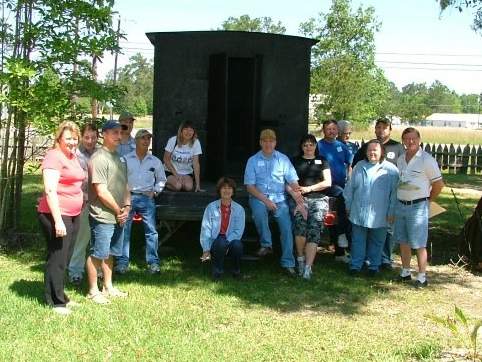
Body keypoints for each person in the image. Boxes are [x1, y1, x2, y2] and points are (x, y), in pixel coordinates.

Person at [37, 121, 85, 315]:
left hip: (73, 214)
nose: (72, 142)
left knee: (63, 257)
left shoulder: (72, 156)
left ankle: (60, 295)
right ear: (59, 139)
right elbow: (49, 190)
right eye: (68, 139)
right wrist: (57, 221)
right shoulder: (53, 157)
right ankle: (56, 302)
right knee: (57, 258)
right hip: (56, 214)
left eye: (75, 138)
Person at [244, 129, 302, 276]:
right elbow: (250, 186)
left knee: (287, 228)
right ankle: (266, 244)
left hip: (280, 198)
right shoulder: (253, 160)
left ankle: (288, 262)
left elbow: (293, 181)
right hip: (259, 197)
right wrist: (266, 200)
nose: (268, 144)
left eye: (271, 141)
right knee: (259, 213)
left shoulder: (283, 159)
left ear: (275, 142)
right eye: (265, 141)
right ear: (260, 143)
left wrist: (299, 197)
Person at [85, 120, 130, 304]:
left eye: (120, 133)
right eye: (114, 133)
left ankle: (108, 286)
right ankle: (93, 291)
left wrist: (127, 207)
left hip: (118, 214)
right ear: (104, 134)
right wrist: (119, 210)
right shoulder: (99, 158)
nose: (119, 136)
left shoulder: (120, 158)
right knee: (98, 253)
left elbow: (126, 185)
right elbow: (101, 191)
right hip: (102, 215)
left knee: (110, 253)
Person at [352, 117, 405, 269]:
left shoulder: (398, 147)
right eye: (378, 127)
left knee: (386, 232)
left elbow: (402, 170)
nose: (381, 130)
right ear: (375, 129)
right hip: (366, 194)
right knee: (363, 231)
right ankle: (363, 261)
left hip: (387, 194)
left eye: (384, 127)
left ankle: (385, 259)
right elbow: (355, 167)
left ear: (390, 129)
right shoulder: (367, 146)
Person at [394, 127, 444, 288]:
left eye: (413, 138)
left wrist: (429, 200)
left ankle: (422, 276)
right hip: (401, 204)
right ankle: (405, 271)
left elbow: (438, 184)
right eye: (407, 139)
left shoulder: (426, 160)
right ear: (403, 141)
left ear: (419, 140)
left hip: (418, 206)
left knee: (419, 243)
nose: (410, 142)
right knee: (403, 240)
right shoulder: (401, 159)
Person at [343, 139, 399, 275]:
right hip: (359, 211)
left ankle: (374, 266)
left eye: (375, 150)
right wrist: (348, 205)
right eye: (369, 150)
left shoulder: (391, 170)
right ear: (365, 152)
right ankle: (356, 265)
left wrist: (391, 212)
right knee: (357, 240)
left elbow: (395, 194)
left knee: (378, 241)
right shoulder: (359, 166)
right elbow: (350, 188)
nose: (372, 153)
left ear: (382, 152)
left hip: (381, 213)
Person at [116, 129, 167, 274]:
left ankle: (153, 263)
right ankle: (122, 263)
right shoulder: (125, 158)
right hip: (128, 197)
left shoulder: (155, 161)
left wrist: (155, 191)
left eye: (148, 139)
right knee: (124, 230)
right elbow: (119, 178)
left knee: (151, 231)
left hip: (146, 197)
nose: (146, 141)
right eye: (143, 138)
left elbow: (162, 179)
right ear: (136, 141)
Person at [290, 134, 331, 279]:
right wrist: (299, 198)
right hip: (300, 200)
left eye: (311, 144)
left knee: (314, 230)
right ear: (301, 147)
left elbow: (327, 182)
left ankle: (308, 267)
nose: (308, 147)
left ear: (315, 146)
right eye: (305, 145)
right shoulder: (295, 161)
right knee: (300, 228)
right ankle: (300, 260)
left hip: (319, 199)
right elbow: (288, 181)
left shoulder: (323, 160)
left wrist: (310, 189)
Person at [317, 120, 352, 262]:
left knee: (336, 216)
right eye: (328, 129)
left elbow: (350, 163)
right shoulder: (318, 146)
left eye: (333, 129)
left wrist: (349, 179)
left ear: (337, 131)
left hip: (341, 185)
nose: (331, 131)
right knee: (336, 210)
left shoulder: (341, 146)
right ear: (324, 131)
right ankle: (341, 238)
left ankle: (339, 251)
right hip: (325, 186)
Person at [68, 123, 99, 285]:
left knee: (99, 238)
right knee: (81, 239)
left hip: (99, 202)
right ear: (82, 137)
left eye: (93, 137)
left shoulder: (101, 153)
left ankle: (98, 271)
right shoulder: (74, 154)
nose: (90, 140)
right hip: (81, 202)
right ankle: (75, 272)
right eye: (87, 137)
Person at [200, 177, 245, 280]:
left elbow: (238, 231)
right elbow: (205, 228)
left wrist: (227, 242)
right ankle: (217, 272)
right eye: (223, 188)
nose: (226, 190)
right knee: (220, 243)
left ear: (233, 191)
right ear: (219, 190)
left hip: (231, 239)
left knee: (238, 245)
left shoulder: (239, 209)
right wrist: (206, 249)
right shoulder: (211, 207)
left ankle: (236, 271)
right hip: (216, 241)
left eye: (229, 188)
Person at [163, 121, 202, 192]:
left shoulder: (196, 142)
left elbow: (196, 164)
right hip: (170, 171)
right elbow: (166, 159)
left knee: (188, 187)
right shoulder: (173, 140)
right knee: (178, 186)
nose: (188, 132)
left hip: (186, 173)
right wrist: (176, 175)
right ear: (181, 131)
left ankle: (178, 183)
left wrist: (197, 184)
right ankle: (164, 183)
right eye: (186, 129)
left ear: (194, 132)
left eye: (191, 130)